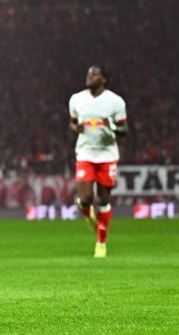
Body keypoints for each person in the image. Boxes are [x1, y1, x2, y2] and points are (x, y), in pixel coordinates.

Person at [69, 66, 127, 258]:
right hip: (85, 153)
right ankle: (88, 214)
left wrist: (111, 126)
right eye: (88, 74)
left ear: (103, 79)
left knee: (103, 200)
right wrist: (75, 128)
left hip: (107, 155)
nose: (89, 77)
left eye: (94, 74)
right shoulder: (76, 99)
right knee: (86, 198)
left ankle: (101, 243)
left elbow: (125, 130)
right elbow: (72, 122)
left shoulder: (116, 102)